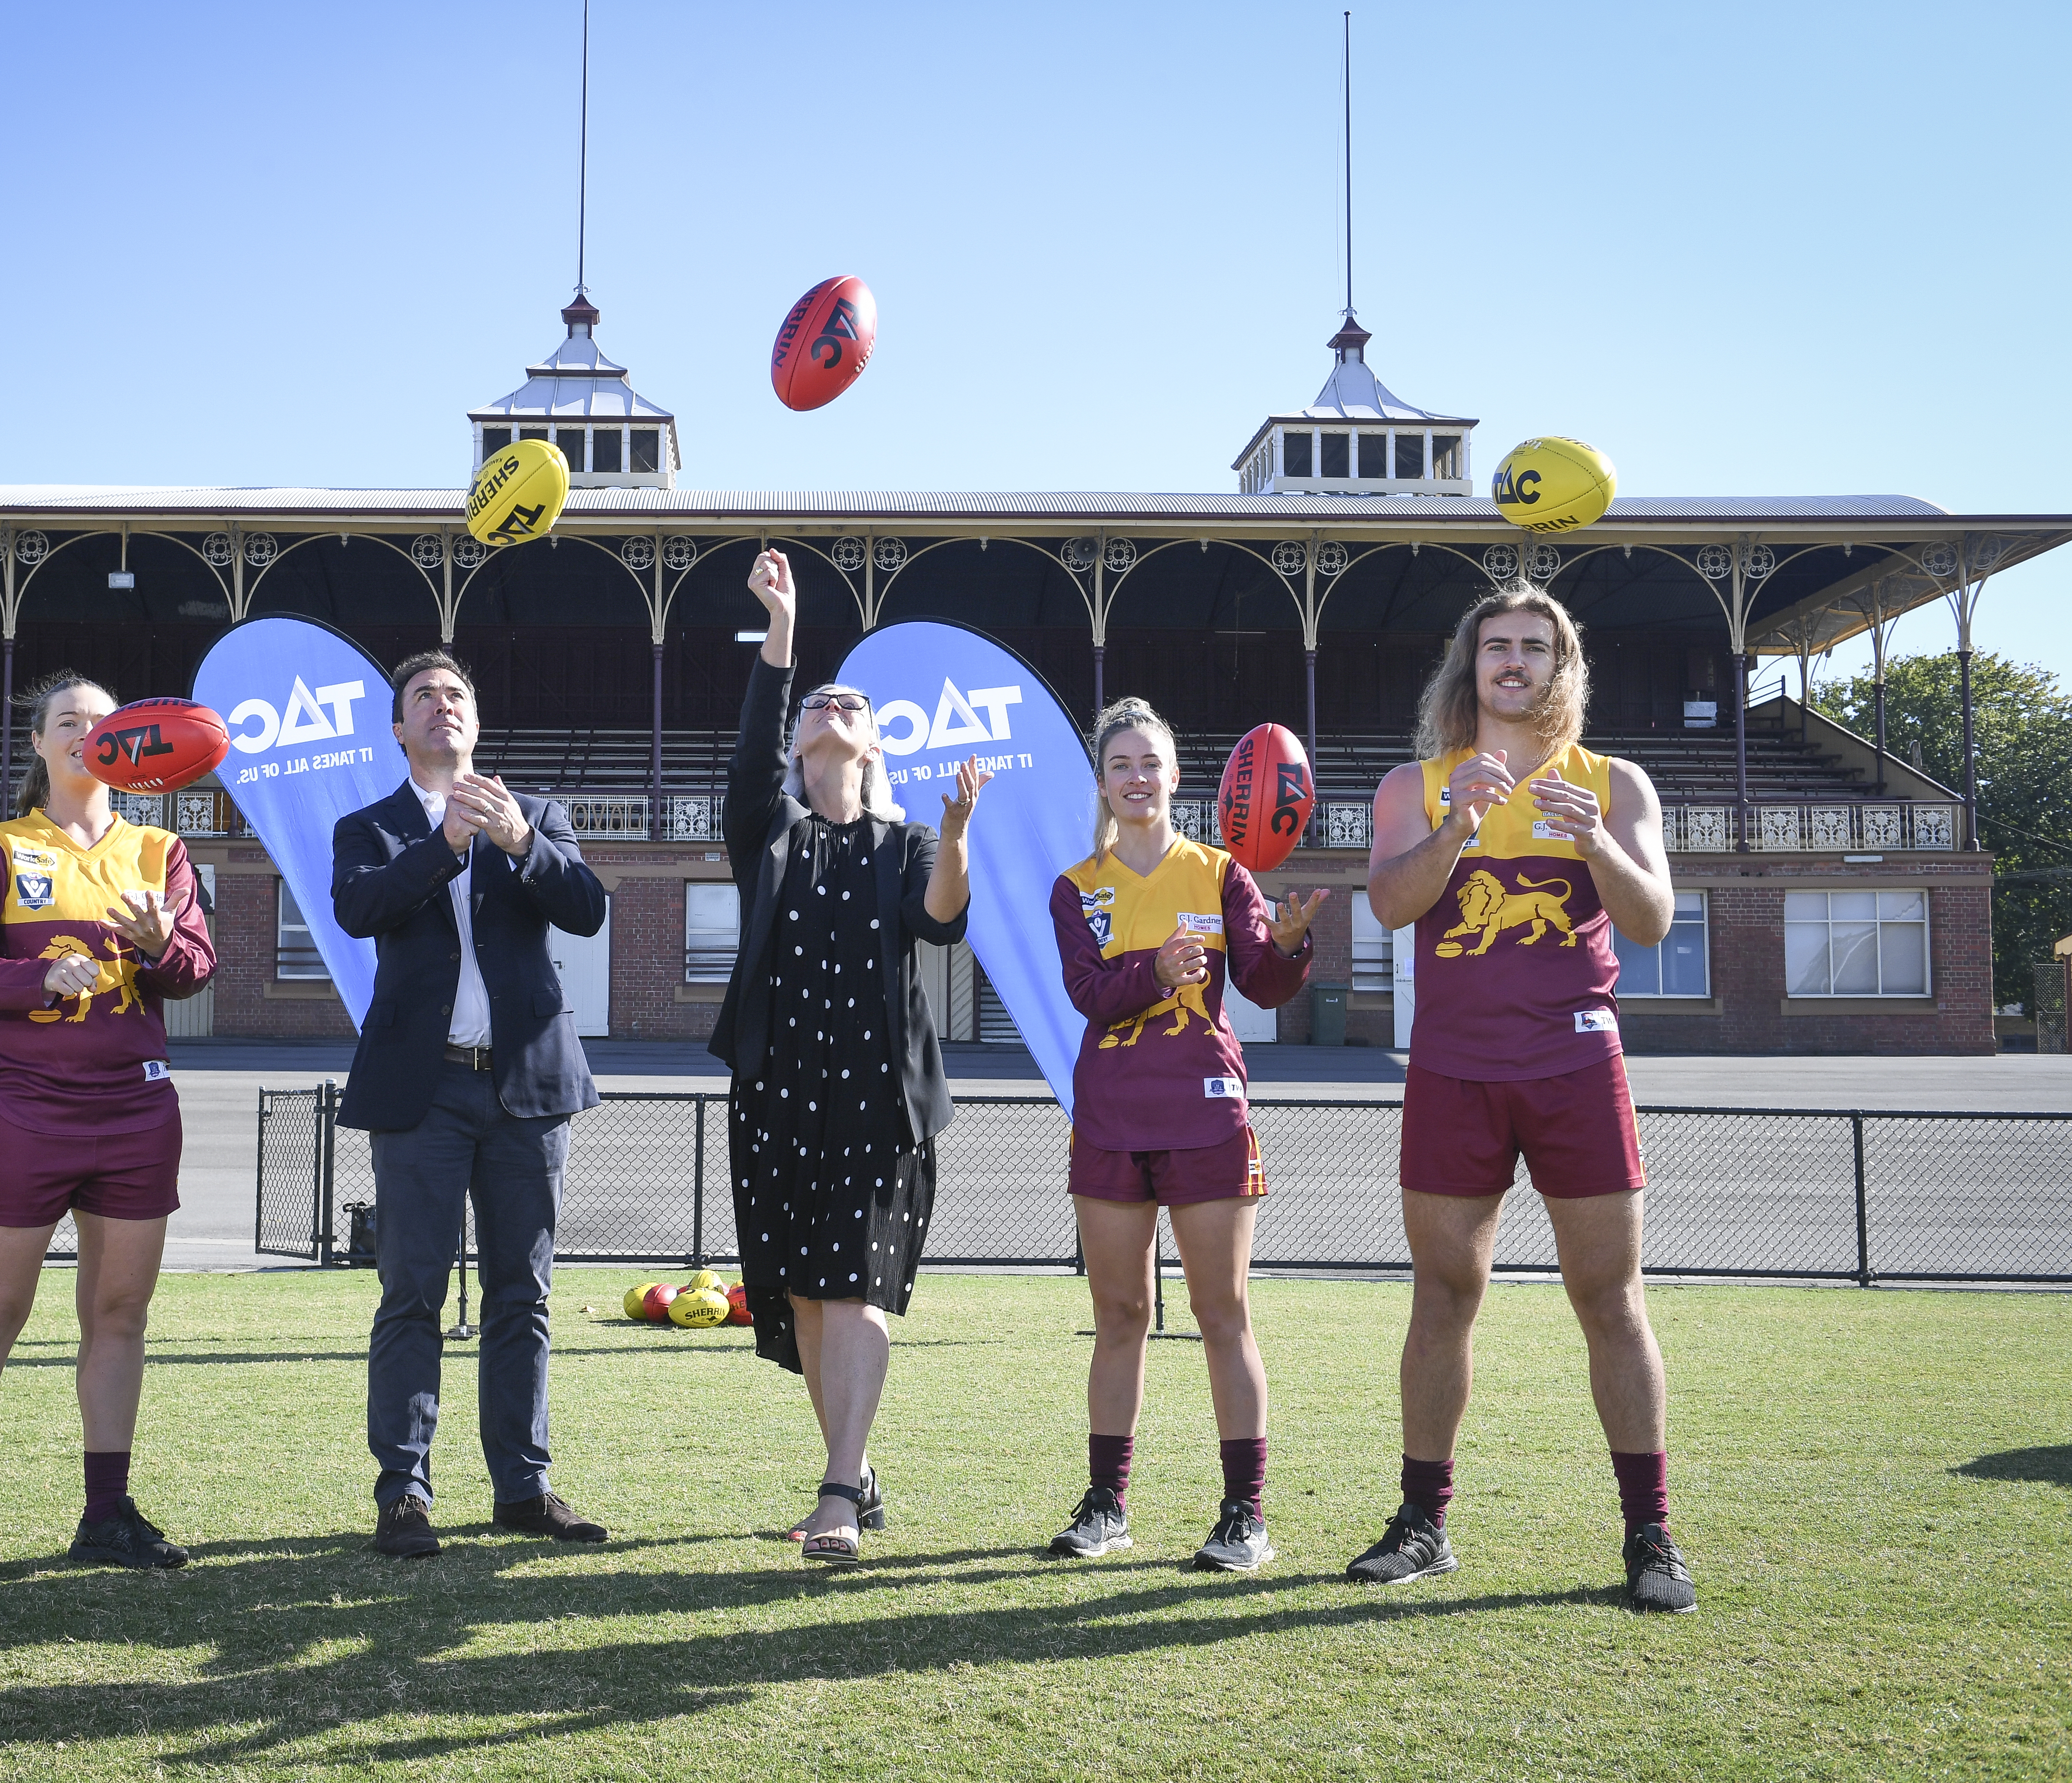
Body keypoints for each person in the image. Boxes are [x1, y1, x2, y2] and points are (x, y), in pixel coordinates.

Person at [1349, 584, 1694, 1614]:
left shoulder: (1613, 781)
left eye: (1533, 649)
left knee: (1610, 1296)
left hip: (1578, 1065)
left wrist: (1594, 842)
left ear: (1561, 667)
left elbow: (1655, 920)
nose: (1513, 663)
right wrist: (1456, 825)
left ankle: (1650, 1530)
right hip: (1454, 1067)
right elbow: (1390, 901)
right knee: (1444, 1294)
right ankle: (1423, 1522)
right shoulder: (1418, 783)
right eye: (1496, 646)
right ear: (1471, 665)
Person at [0, 670, 217, 1590]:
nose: (86, 734)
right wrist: (35, 979)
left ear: (132, 744)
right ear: (38, 745)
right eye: (67, 722)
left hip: (136, 1109)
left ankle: (105, 1514)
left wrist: (160, 944)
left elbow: (193, 972)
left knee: (119, 1315)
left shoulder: (160, 849)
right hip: (23, 1108)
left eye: (103, 722)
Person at [717, 549, 982, 1566]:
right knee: (807, 1295)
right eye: (819, 700)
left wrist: (955, 830)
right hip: (779, 1097)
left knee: (857, 1284)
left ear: (874, 746)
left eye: (856, 703)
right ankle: (854, 1468)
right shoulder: (770, 829)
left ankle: (835, 1489)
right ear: (800, 739)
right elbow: (748, 753)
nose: (837, 704)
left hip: (879, 1100)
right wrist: (782, 629)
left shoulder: (906, 840)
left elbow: (941, 918)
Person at [332, 650, 611, 1560]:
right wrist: (444, 845)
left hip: (524, 1087)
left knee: (520, 1294)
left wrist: (520, 846)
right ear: (399, 729)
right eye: (423, 697)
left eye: (456, 695)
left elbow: (586, 909)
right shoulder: (368, 827)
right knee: (409, 1292)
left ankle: (522, 1488)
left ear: (475, 723)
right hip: (423, 1090)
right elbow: (360, 908)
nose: (441, 706)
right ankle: (404, 1491)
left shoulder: (532, 816)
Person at [1044, 697, 1324, 1566]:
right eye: (1120, 764)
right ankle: (1105, 1506)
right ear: (1101, 781)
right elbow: (1088, 994)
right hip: (1110, 1119)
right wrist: (1152, 970)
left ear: (1175, 778)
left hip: (1205, 1114)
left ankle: (1244, 1514)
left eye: (1150, 763)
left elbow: (1267, 985)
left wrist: (1287, 945)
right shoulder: (1075, 887)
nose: (1136, 778)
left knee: (1220, 1311)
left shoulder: (1218, 872)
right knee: (1118, 1312)